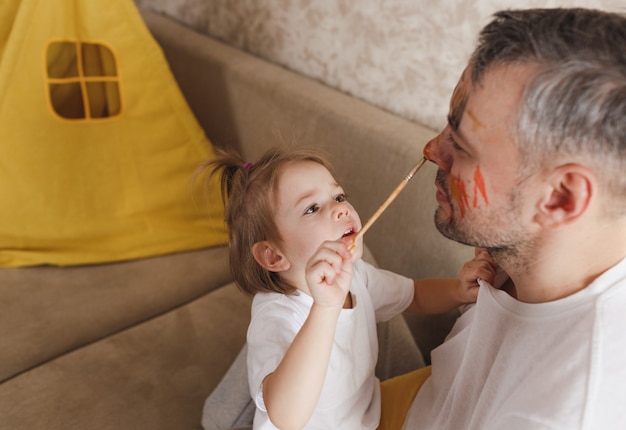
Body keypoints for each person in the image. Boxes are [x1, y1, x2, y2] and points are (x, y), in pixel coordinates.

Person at [389, 7, 626, 429]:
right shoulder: (527, 254)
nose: (432, 150)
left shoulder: (563, 412)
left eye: (460, 146)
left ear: (560, 198)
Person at [203, 146, 497, 429]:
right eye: (312, 208)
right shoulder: (276, 318)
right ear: (274, 256)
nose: (340, 209)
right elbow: (287, 418)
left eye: (339, 196)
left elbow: (414, 295)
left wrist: (458, 291)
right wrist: (326, 307)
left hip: (366, 416)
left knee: (457, 389)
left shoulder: (356, 275)